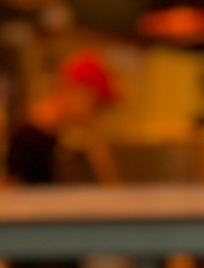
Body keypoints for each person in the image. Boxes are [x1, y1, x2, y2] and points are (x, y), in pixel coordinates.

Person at [7, 48, 121, 185]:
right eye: (96, 105)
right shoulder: (28, 139)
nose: (95, 115)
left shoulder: (56, 137)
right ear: (75, 92)